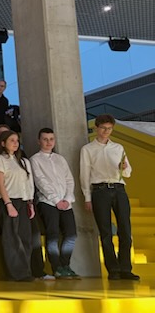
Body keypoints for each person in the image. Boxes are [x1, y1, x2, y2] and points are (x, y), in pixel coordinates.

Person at [80, 114, 137, 281]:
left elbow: (128, 173)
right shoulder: (87, 149)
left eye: (110, 128)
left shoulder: (118, 148)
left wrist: (124, 167)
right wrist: (87, 197)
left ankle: (126, 268)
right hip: (100, 191)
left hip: (119, 189)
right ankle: (113, 269)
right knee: (105, 232)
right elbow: (84, 174)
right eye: (103, 128)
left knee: (125, 229)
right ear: (96, 128)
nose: (106, 131)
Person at [31, 128, 80, 280]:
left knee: (71, 234)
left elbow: (69, 180)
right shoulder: (35, 159)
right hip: (48, 202)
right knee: (52, 235)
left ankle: (65, 265)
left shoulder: (60, 159)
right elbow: (40, 181)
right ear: (39, 141)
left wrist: (67, 199)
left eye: (51, 139)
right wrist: (56, 200)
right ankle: (57, 267)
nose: (48, 142)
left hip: (66, 203)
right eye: (45, 139)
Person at [0, 130, 38, 281]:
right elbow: (0, 183)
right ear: (3, 143)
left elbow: (28, 183)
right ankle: (17, 273)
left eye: (17, 140)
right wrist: (8, 203)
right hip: (8, 201)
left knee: (25, 237)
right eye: (11, 140)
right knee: (12, 238)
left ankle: (25, 271)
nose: (15, 143)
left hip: (23, 200)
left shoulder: (23, 162)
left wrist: (30, 202)